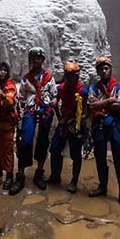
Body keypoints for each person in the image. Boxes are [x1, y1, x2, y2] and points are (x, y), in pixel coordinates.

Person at [10, 47, 57, 195]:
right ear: (30, 61)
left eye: (38, 58)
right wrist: (20, 111)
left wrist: (52, 103)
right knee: (25, 140)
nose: (36, 61)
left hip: (46, 110)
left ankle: (39, 173)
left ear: (42, 60)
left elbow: (54, 94)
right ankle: (21, 175)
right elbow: (21, 96)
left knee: (43, 140)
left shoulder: (49, 78)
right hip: (29, 110)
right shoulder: (25, 79)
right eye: (33, 58)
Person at [87, 55, 120, 207]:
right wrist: (109, 101)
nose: (104, 71)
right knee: (100, 156)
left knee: (119, 156)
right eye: (101, 69)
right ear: (98, 72)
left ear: (110, 69)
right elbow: (91, 106)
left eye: (106, 68)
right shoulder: (94, 88)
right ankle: (102, 187)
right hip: (99, 125)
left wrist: (100, 104)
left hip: (115, 125)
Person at [47, 61, 88, 193]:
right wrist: (60, 116)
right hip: (64, 123)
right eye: (68, 76)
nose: (70, 78)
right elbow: (56, 102)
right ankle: (55, 176)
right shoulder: (61, 89)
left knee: (76, 154)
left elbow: (87, 112)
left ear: (77, 76)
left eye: (72, 76)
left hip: (75, 126)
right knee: (54, 148)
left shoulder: (82, 91)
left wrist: (77, 120)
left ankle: (74, 181)